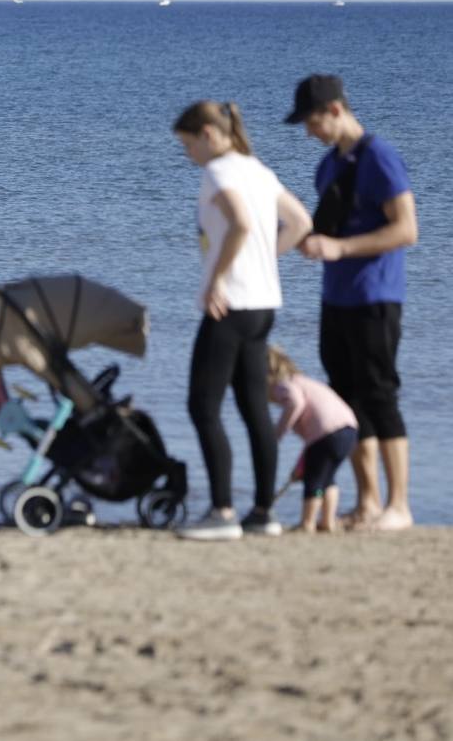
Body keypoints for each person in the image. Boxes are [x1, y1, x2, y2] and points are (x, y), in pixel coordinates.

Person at [172, 101, 313, 541]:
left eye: (187, 144)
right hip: (263, 305)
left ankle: (222, 512)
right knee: (253, 410)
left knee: (203, 406)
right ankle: (264, 513)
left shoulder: (219, 172)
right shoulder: (259, 170)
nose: (187, 154)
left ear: (210, 135)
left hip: (230, 305)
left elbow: (240, 224)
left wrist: (217, 279)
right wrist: (261, 261)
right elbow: (301, 223)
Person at [286, 73, 418, 531]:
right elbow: (327, 230)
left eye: (312, 121)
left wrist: (341, 249)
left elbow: (406, 229)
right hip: (334, 298)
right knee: (346, 401)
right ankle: (368, 503)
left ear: (336, 110)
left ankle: (399, 505)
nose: (308, 132)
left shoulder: (379, 157)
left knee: (379, 395)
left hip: (375, 296)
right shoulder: (328, 166)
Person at [267, 345, 359, 533]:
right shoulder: (303, 381)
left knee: (314, 481)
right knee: (327, 478)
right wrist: (300, 466)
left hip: (328, 433)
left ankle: (307, 522)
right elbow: (312, 448)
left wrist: (277, 433)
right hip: (349, 430)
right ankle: (327, 521)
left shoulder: (284, 384)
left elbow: (295, 403)